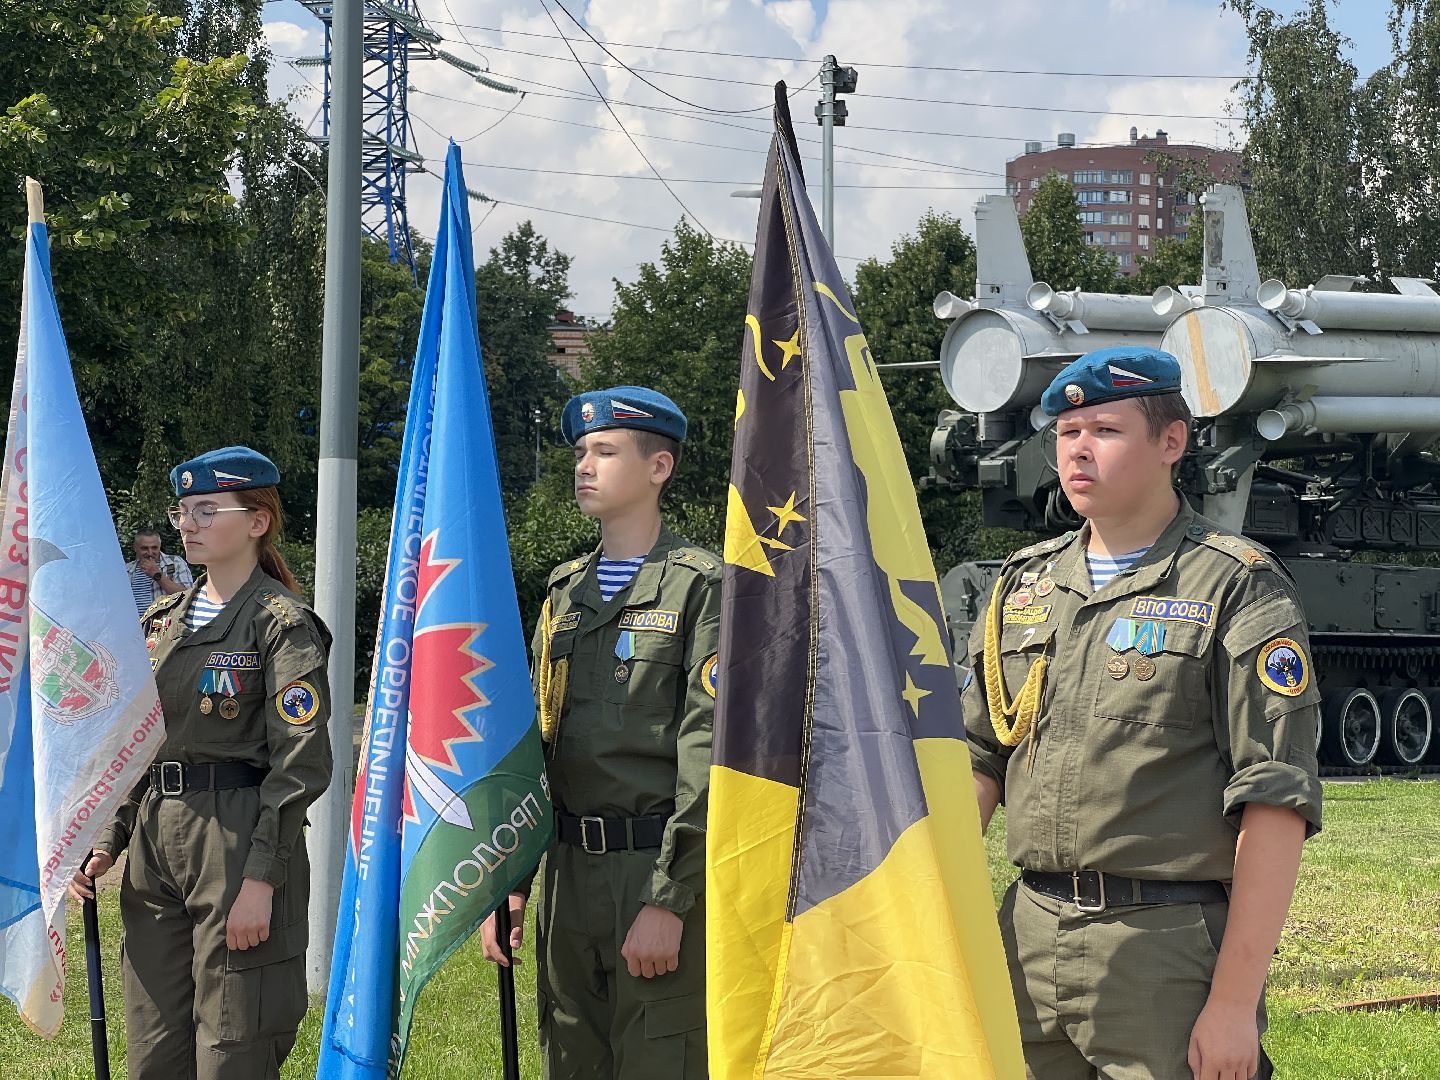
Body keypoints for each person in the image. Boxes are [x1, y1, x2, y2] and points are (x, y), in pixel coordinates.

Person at [963, 347, 1322, 1080]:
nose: (1078, 450)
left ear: (1171, 442)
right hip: (1024, 939)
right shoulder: (1021, 588)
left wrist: (1232, 1003)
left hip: (1162, 951)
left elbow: (1275, 802)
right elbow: (976, 760)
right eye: (1066, 434)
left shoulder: (1235, 586)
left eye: (1105, 429)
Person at [69, 446, 333, 1080]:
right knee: (153, 1048)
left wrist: (262, 879)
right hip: (157, 836)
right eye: (183, 510)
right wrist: (108, 837)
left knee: (232, 1048)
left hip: (237, 835)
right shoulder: (164, 621)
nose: (187, 523)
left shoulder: (280, 624)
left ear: (257, 521)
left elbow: (300, 766)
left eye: (206, 510)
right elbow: (139, 742)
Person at [481, 386, 720, 1078]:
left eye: (605, 451)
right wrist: (515, 885)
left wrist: (668, 902)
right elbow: (535, 745)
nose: (584, 464)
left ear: (659, 468)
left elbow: (709, 756)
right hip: (568, 873)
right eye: (581, 451)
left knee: (659, 1061)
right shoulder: (564, 593)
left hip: (650, 867)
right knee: (570, 1058)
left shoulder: (700, 588)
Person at [126, 525, 193, 616]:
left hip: (163, 628)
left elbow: (187, 596)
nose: (150, 553)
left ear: (160, 546)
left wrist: (157, 575)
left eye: (154, 548)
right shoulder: (127, 570)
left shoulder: (175, 563)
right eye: (144, 548)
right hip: (133, 627)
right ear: (135, 548)